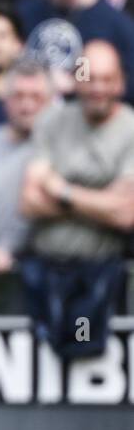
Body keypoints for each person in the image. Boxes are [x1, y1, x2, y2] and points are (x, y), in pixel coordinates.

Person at [19, 39, 134, 356]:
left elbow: (126, 214)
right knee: (43, 358)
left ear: (120, 83)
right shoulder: (52, 121)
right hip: (45, 268)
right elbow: (29, 202)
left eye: (106, 79)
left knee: (84, 351)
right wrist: (101, 201)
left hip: (100, 272)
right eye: (89, 77)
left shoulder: (131, 129)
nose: (97, 87)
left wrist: (61, 190)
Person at [0, 60, 55, 276]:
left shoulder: (64, 148)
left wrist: (7, 246)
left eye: (36, 97)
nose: (27, 106)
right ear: (4, 98)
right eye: (18, 96)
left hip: (44, 268)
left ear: (52, 100)